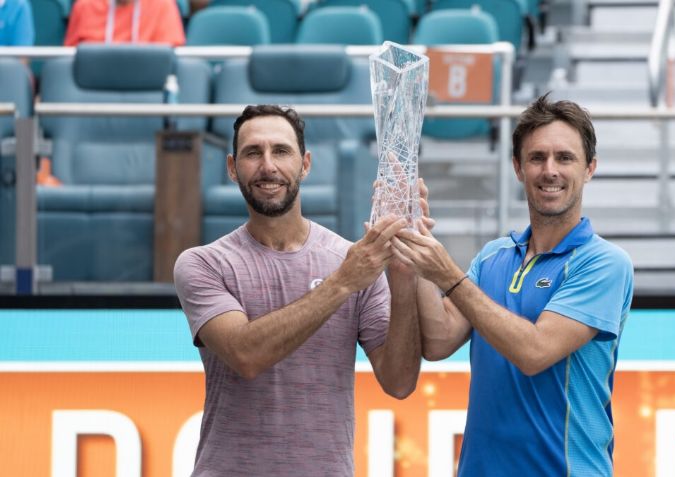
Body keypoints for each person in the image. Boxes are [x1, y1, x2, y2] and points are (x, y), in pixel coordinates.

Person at [392, 94, 634, 476]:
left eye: (564, 158)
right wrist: (418, 240)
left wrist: (447, 275)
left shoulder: (604, 263)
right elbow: (437, 342)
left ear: (590, 169)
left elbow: (534, 352)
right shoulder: (493, 256)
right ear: (518, 168)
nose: (549, 170)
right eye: (537, 158)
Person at [173, 105, 421, 476]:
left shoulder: (350, 260)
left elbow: (399, 381)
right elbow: (246, 354)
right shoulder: (203, 264)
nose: (268, 166)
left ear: (305, 164)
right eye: (253, 153)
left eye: (281, 151)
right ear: (231, 167)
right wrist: (342, 282)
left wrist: (403, 281)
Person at [64, 0, 185, 46]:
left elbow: (170, 62)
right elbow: (68, 61)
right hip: (92, 90)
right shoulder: (85, 6)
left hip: (148, 89)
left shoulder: (163, 6)